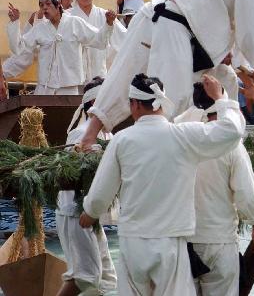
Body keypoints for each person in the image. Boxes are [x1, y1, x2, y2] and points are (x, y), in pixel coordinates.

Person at [81, 0, 254, 149]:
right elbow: (249, 30)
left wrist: (250, 82)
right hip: (171, 24)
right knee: (173, 94)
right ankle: (152, 145)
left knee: (226, 79)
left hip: (160, 19)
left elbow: (238, 39)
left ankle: (228, 139)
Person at [81, 74, 245, 296]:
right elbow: (232, 132)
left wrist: (90, 213)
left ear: (135, 104)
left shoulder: (122, 139)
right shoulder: (183, 135)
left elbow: (102, 192)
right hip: (170, 242)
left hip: (134, 241)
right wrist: (221, 99)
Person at [179, 82, 254, 296]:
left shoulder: (179, 136)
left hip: (182, 240)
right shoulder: (232, 145)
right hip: (218, 240)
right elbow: (245, 192)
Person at [56, 78, 117, 296]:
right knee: (85, 276)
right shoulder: (79, 134)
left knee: (104, 278)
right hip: (75, 213)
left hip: (92, 214)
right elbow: (71, 177)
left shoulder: (109, 135)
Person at [4, 0, 115, 94]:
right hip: (45, 89)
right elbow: (19, 48)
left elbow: (99, 40)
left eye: (48, 4)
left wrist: (108, 24)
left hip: (69, 89)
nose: (44, 8)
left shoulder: (74, 23)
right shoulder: (40, 28)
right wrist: (15, 22)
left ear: (58, 5)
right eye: (41, 5)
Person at [70, 0, 128, 80]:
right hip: (74, 76)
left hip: (99, 74)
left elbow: (125, 39)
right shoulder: (67, 16)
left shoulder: (105, 15)